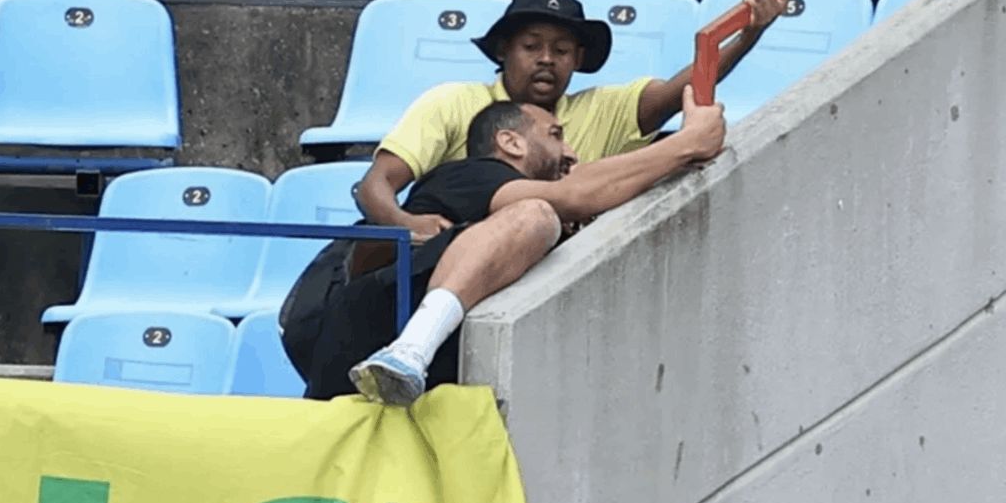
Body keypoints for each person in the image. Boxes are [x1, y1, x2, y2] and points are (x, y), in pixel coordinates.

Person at [286, 84, 724, 405]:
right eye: (556, 135)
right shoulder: (469, 174)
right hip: (369, 346)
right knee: (535, 216)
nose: (571, 152)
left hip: (423, 386)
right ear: (510, 142)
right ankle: (410, 350)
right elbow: (575, 194)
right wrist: (687, 144)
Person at [354, 0, 783, 244]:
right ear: (503, 50)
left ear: (578, 59)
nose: (546, 59)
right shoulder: (450, 101)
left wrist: (748, 35)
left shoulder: (602, 109)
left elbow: (681, 89)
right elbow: (375, 184)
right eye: (531, 46)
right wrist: (405, 225)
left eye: (561, 50)